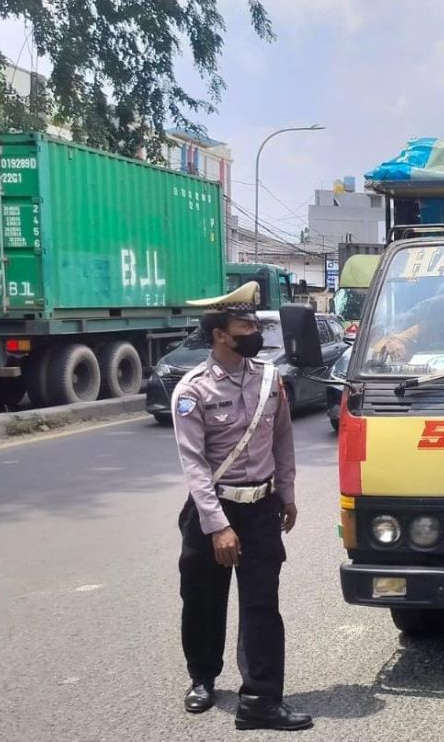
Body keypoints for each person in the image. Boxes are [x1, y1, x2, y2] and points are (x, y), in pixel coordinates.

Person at [171, 281, 312, 730]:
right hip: (213, 511)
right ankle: (202, 677)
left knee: (261, 605)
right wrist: (217, 526)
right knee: (203, 599)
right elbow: (193, 465)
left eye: (254, 321)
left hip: (261, 509)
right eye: (244, 323)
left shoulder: (271, 378)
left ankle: (261, 700)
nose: (254, 330)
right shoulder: (192, 391)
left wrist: (286, 495)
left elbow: (283, 440)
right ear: (219, 334)